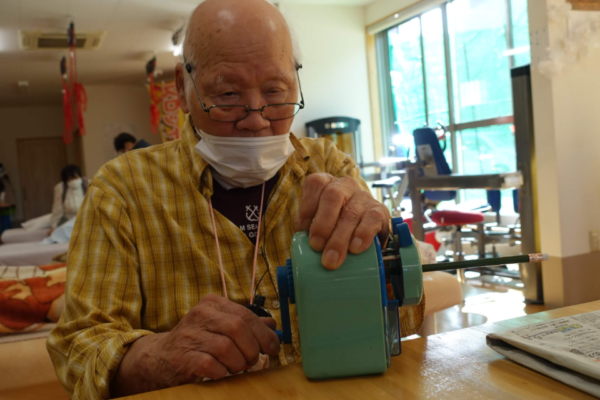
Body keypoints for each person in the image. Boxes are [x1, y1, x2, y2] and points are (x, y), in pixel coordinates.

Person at [47, 1, 425, 399]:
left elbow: (409, 312)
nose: (256, 119)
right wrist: (157, 356)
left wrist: (386, 254)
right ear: (182, 85)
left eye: (276, 92)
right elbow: (79, 348)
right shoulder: (123, 189)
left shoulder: (328, 165)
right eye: (227, 94)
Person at [49, 165, 88, 233]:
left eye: (74, 177)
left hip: (87, 218)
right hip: (69, 219)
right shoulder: (61, 188)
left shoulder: (88, 184)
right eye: (70, 178)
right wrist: (53, 226)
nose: (73, 180)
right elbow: (57, 208)